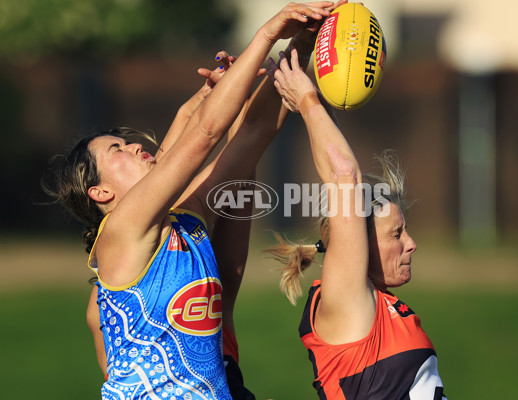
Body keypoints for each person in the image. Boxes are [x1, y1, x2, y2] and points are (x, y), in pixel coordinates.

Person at [45, 3, 335, 399]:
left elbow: (250, 133)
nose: (132, 146)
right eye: (116, 150)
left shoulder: (186, 218)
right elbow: (206, 131)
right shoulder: (120, 233)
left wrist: (300, 45)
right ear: (101, 193)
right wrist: (268, 34)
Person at [266, 48, 448, 399]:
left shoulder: (378, 304)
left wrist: (321, 95)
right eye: (396, 234)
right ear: (356, 242)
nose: (411, 243)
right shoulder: (346, 299)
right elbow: (344, 175)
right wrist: (305, 100)